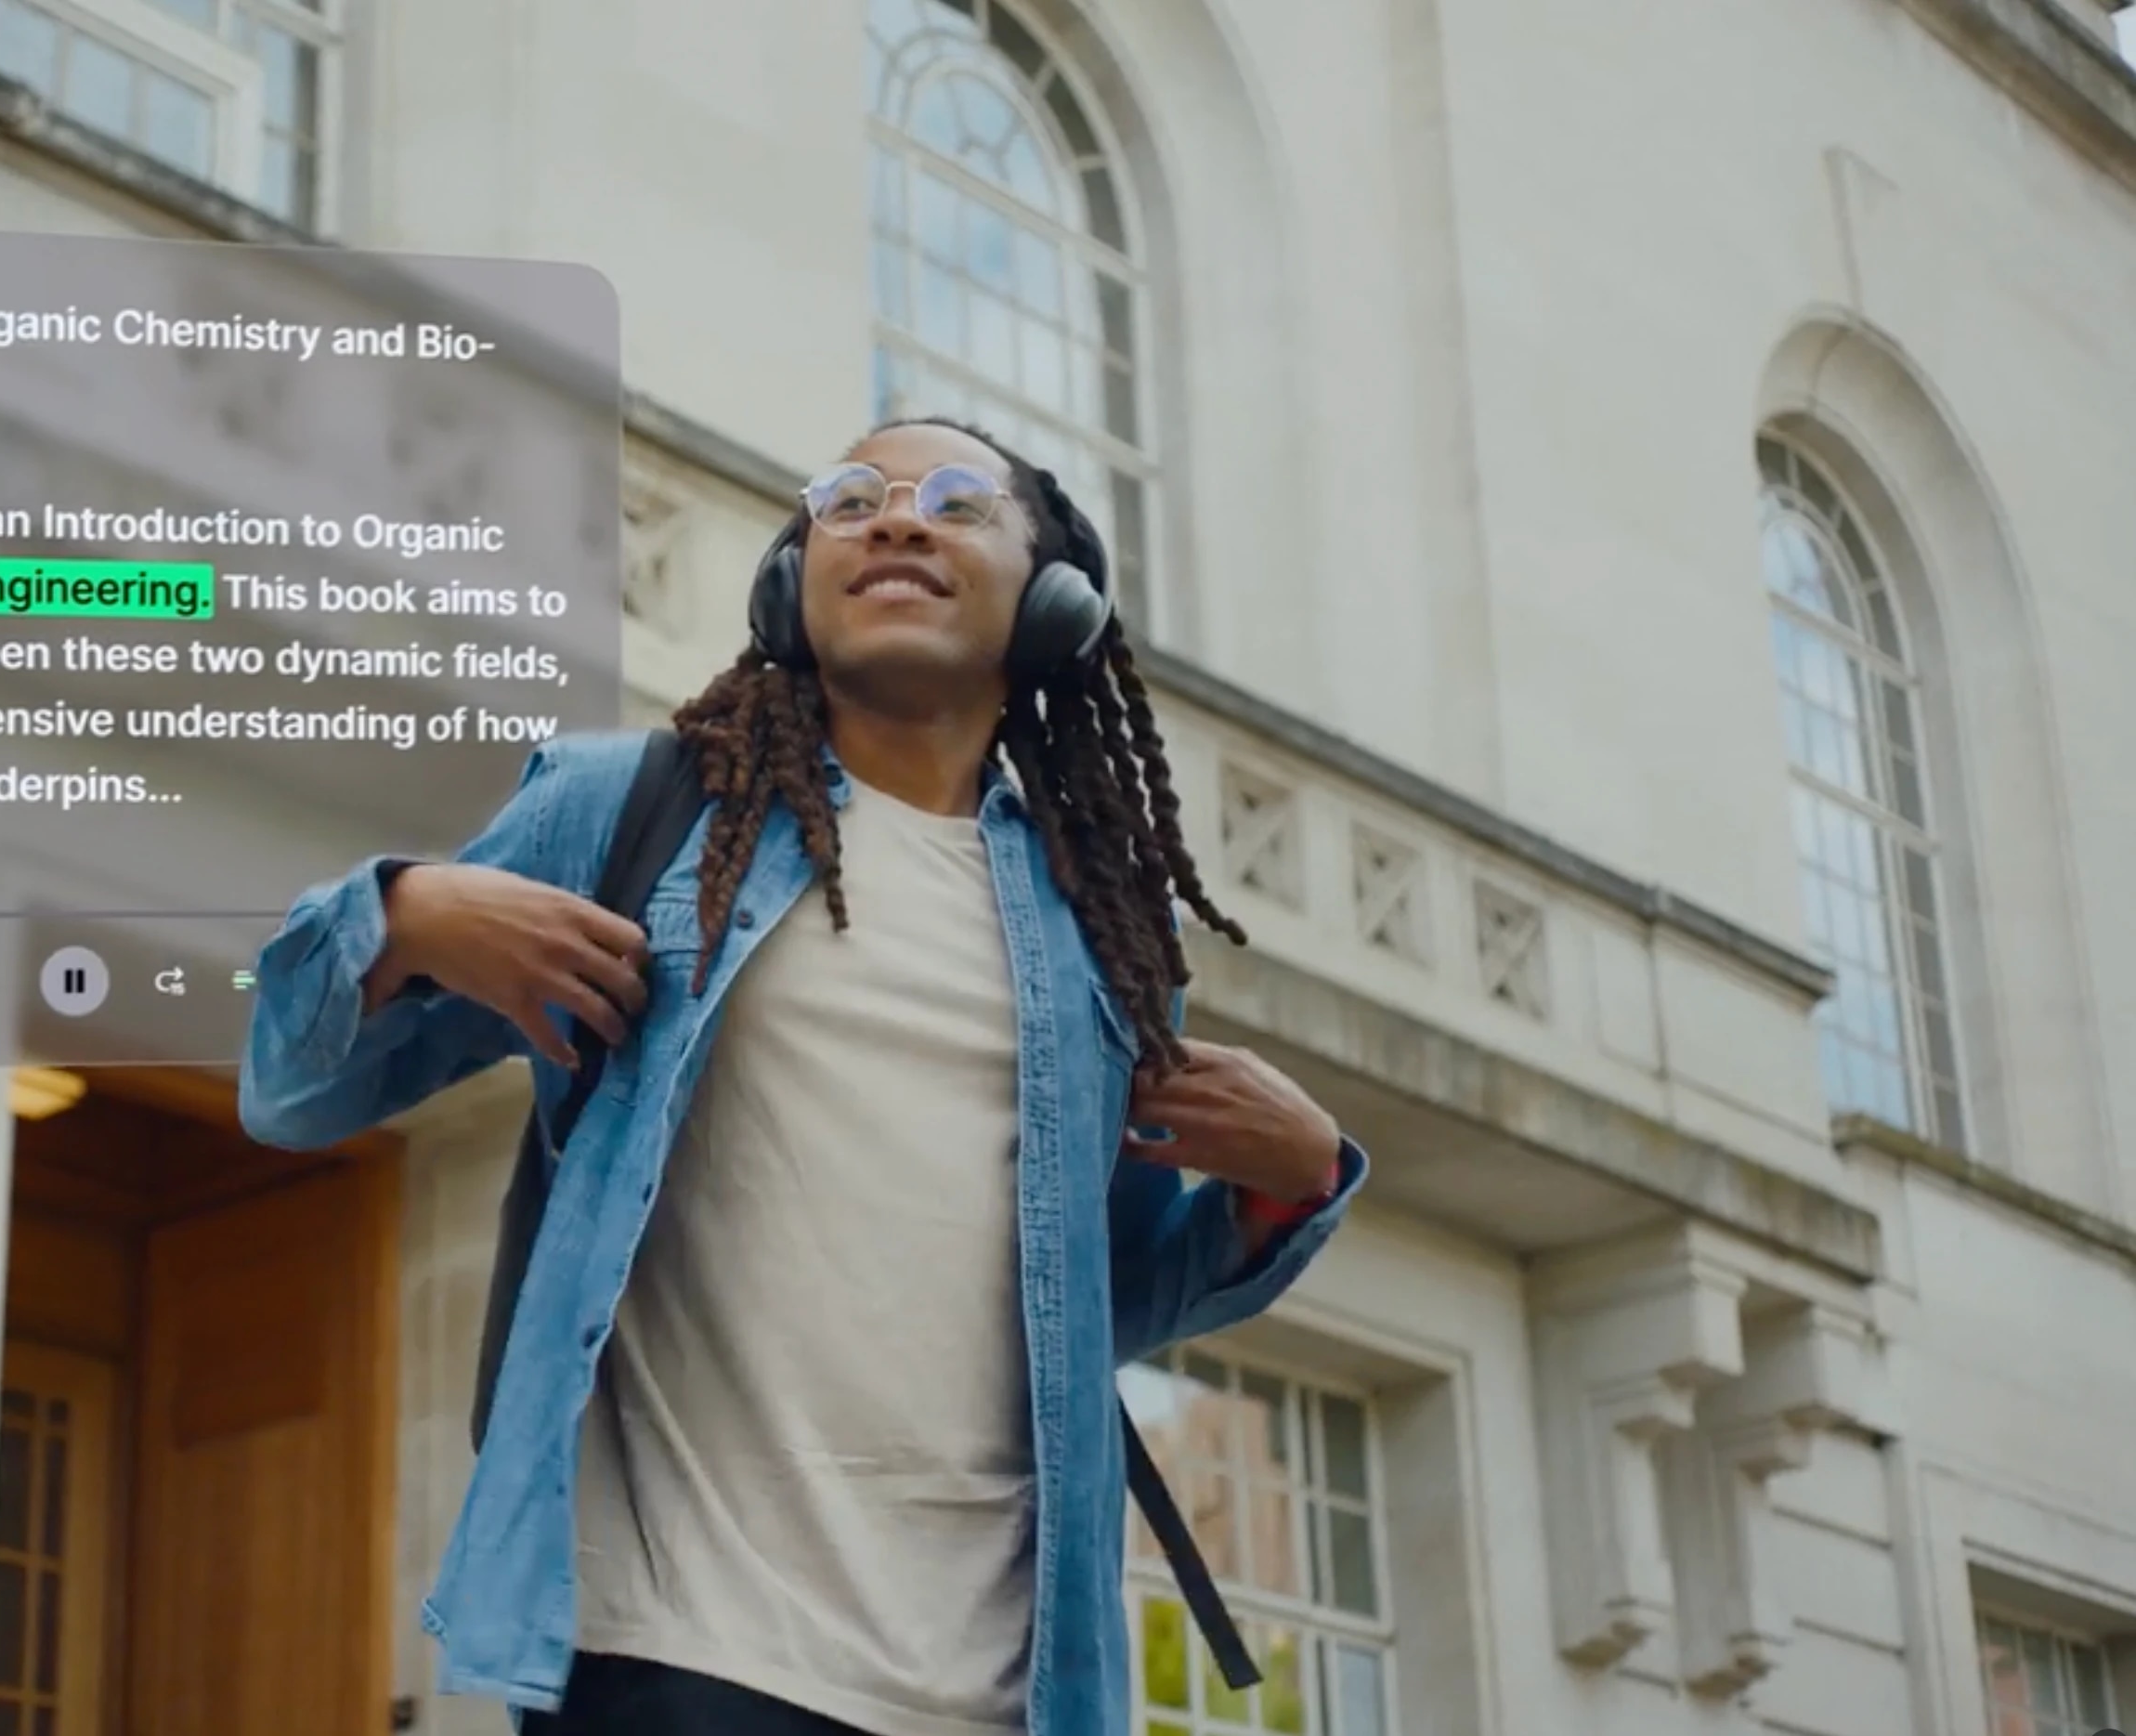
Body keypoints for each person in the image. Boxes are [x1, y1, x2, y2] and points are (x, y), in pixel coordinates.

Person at [238, 417, 1371, 1736]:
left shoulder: (1100, 930)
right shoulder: (633, 811)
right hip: (678, 1649)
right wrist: (406, 916)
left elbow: (1086, 1298)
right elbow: (293, 1087)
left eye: (956, 500)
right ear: (792, 580)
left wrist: (1292, 1184)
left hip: (1005, 1686)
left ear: (1055, 598)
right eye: (851, 499)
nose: (896, 519)